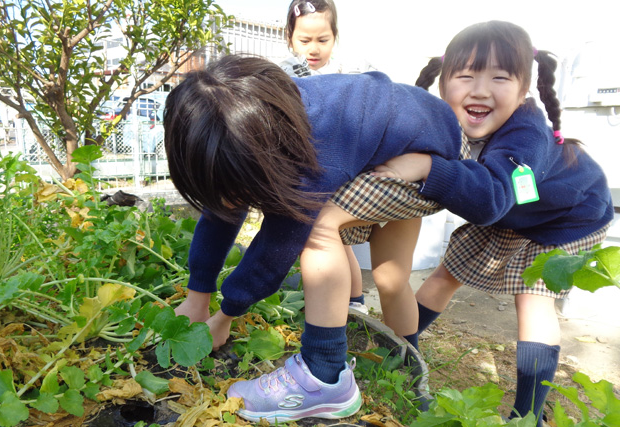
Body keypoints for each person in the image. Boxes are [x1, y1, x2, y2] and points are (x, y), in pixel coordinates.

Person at [166, 54, 463, 423]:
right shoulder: (253, 115)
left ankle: (323, 375)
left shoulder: (316, 147)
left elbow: (276, 249)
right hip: (402, 134)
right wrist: (198, 295)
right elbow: (221, 209)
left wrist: (224, 316)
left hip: (430, 157)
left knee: (315, 227)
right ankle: (406, 372)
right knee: (391, 278)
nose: (230, 201)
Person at [372, 21, 614, 426]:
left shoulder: (526, 132)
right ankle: (400, 357)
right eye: (466, 75)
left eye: (500, 77)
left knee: (534, 300)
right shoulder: (446, 121)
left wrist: (430, 167)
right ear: (443, 82)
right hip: (508, 204)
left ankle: (527, 416)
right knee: (445, 276)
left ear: (523, 91)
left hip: (569, 215)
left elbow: (489, 199)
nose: (481, 89)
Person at [280, 0, 376, 316]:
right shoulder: (284, 73)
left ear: (335, 37)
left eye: (323, 40)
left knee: (331, 236)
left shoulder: (346, 72)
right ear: (289, 38)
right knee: (326, 237)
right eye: (304, 40)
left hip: (342, 166)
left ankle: (353, 301)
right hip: (305, 167)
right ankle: (344, 300)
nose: (314, 48)